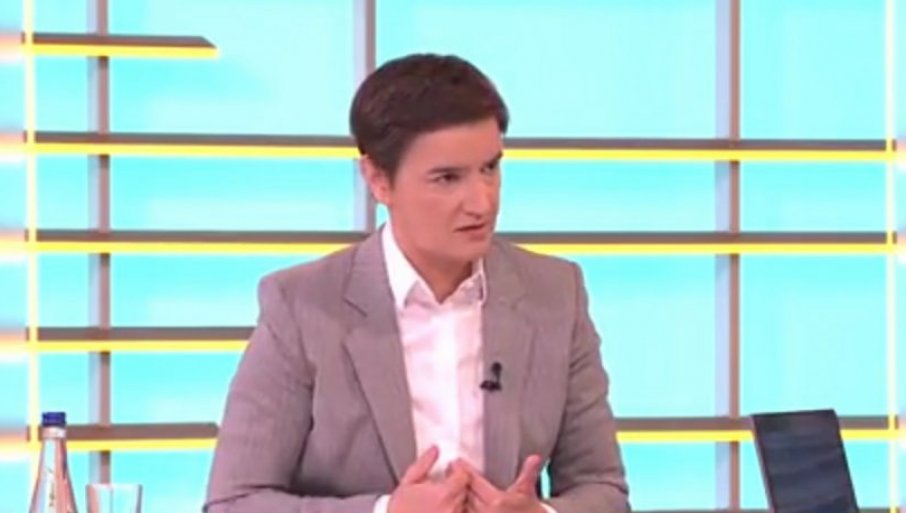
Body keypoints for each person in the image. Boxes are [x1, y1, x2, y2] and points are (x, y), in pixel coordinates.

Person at [204, 53, 629, 513]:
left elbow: (603, 489)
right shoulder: (302, 306)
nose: (481, 202)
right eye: (447, 178)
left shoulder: (557, 294)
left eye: (490, 168)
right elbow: (234, 502)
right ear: (378, 180)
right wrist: (385, 511)